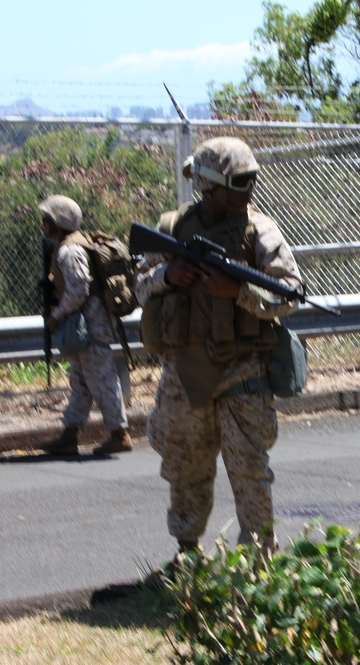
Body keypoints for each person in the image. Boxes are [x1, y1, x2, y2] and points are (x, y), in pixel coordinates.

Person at [134, 136, 303, 554]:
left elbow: (289, 295)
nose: (249, 190)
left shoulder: (260, 231)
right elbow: (137, 288)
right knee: (184, 465)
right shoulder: (172, 229)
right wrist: (168, 277)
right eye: (239, 182)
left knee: (248, 469)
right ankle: (187, 553)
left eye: (251, 181)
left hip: (243, 368)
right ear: (209, 184)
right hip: (184, 370)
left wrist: (239, 291)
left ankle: (260, 561)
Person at [37, 194, 132, 456]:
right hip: (86, 322)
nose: (43, 224)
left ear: (58, 222)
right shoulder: (68, 246)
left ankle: (119, 433)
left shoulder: (70, 251)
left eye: (47, 220)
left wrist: (57, 315)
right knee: (80, 380)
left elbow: (79, 289)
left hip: (92, 323)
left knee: (101, 378)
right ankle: (70, 434)